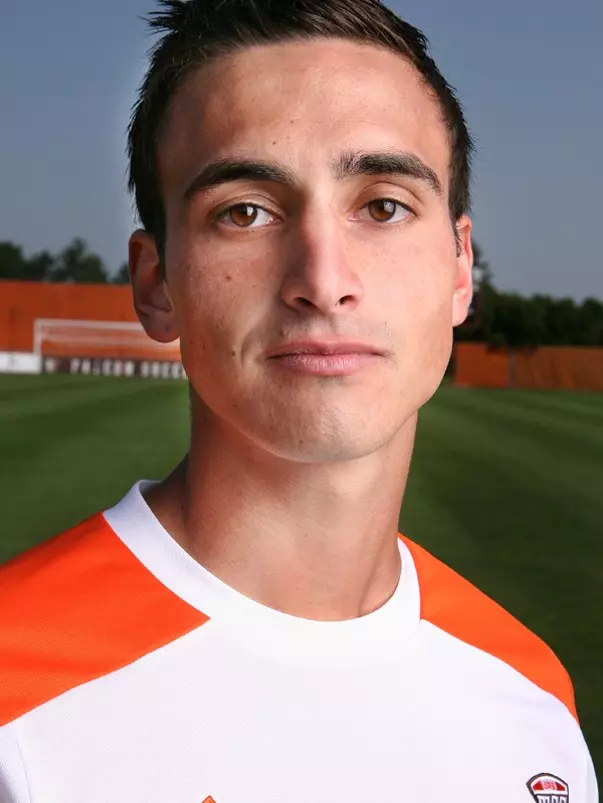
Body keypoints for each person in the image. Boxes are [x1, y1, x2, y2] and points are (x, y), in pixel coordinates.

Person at [0, 1, 597, 800]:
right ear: (155, 284)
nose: (323, 280)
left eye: (383, 205)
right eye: (243, 212)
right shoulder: (16, 691)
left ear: (459, 268)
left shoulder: (533, 700)